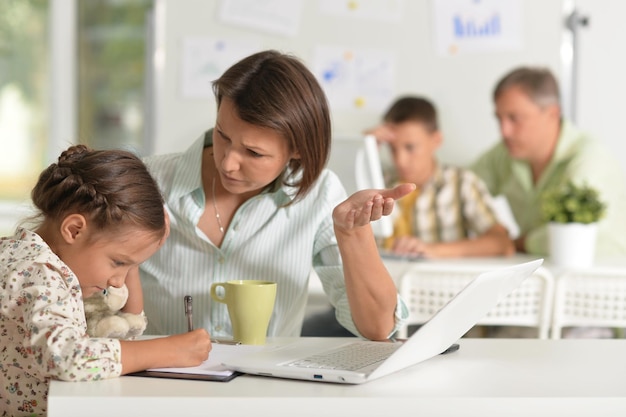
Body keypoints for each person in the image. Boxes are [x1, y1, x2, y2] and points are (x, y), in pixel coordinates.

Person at [137, 50, 414, 341]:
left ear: (297, 150)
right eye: (222, 135)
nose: (228, 163)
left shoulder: (320, 194)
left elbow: (377, 328)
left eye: (254, 153)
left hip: (268, 384)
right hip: (161, 383)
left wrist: (353, 234)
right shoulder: (149, 181)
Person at [0, 145, 212, 416]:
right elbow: (65, 357)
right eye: (119, 262)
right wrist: (167, 350)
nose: (117, 282)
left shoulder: (23, 254)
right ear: (74, 230)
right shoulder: (42, 274)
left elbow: (125, 329)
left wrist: (133, 255)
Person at [471, 66, 626, 256]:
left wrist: (515, 243)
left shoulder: (591, 157)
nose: (504, 131)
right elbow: (463, 188)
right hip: (542, 275)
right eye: (499, 119)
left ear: (552, 114)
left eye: (515, 118)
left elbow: (576, 231)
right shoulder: (504, 154)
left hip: (601, 278)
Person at [367, 96, 515, 258]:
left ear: (436, 140)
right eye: (392, 148)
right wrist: (363, 149)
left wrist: (432, 250)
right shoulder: (375, 180)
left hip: (439, 281)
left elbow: (502, 243)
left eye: (410, 147)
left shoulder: (461, 182)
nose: (400, 161)